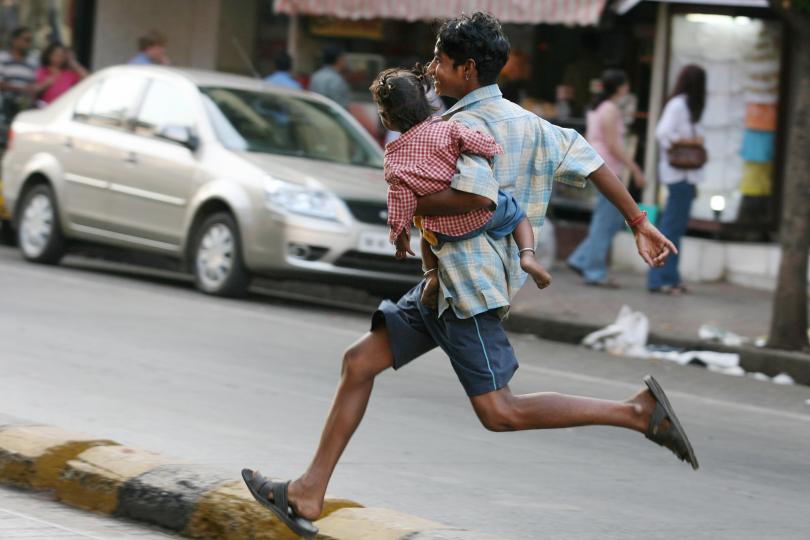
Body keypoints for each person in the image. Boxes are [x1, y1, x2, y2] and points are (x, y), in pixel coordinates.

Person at [241, 13, 696, 539]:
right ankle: (307, 492)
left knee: (500, 412)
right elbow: (593, 163)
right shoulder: (533, 126)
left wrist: (408, 194)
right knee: (360, 361)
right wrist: (639, 222)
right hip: (444, 284)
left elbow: (471, 197)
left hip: (469, 290)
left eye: (440, 59)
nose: (432, 69)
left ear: (468, 67)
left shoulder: (462, 129)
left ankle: (637, 413)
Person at [370, 66, 551, 308]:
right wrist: (492, 150)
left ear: (387, 119)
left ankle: (431, 275)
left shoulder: (392, 160)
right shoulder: (448, 128)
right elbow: (478, 142)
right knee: (517, 214)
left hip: (442, 230)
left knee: (425, 234)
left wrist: (399, 236)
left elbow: (399, 202)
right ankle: (527, 256)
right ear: (427, 104)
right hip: (479, 216)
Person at [567, 69, 646, 287]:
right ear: (620, 87)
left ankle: (582, 258)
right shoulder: (610, 109)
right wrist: (635, 168)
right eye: (626, 85)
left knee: (608, 221)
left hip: (599, 165)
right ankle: (593, 270)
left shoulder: (597, 107)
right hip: (607, 168)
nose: (628, 88)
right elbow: (613, 144)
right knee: (606, 221)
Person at [648, 64, 707, 295]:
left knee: (674, 228)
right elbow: (662, 133)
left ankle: (670, 278)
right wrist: (684, 145)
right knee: (671, 228)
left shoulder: (685, 105)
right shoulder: (680, 105)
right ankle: (659, 279)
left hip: (684, 176)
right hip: (678, 174)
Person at [0, 27, 37, 121]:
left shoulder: (32, 61)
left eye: (29, 40)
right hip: (5, 107)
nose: (27, 43)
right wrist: (22, 88)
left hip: (24, 108)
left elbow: (34, 85)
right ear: (14, 40)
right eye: (25, 39)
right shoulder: (2, 58)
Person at [308, 44, 350, 108]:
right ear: (339, 59)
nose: (346, 61)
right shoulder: (336, 80)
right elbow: (340, 107)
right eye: (344, 58)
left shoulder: (316, 76)